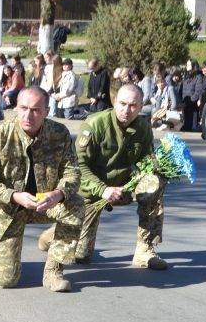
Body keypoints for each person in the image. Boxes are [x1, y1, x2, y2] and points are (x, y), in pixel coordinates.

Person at [0, 87, 84, 292]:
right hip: (4, 209)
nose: (28, 115)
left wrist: (58, 193)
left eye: (36, 110)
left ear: (46, 111)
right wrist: (13, 196)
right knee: (7, 280)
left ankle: (53, 271)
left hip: (42, 202)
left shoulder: (59, 134)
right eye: (23, 108)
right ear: (16, 107)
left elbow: (73, 173)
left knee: (75, 204)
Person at [72, 84, 168, 270]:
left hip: (123, 188)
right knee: (81, 256)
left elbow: (146, 162)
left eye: (133, 105)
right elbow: (78, 166)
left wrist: (159, 169)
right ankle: (57, 233)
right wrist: (103, 190)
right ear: (114, 102)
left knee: (155, 182)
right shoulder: (95, 124)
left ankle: (145, 250)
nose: (126, 110)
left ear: (141, 107)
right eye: (122, 103)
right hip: (92, 192)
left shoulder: (143, 127)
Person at [182, 60, 205, 132]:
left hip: (193, 105)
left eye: (189, 65)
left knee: (193, 127)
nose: (187, 66)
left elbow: (198, 91)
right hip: (185, 104)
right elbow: (183, 89)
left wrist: (191, 100)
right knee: (186, 127)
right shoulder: (186, 76)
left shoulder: (198, 76)